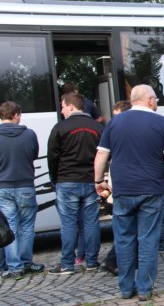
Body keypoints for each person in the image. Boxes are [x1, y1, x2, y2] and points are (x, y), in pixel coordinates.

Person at [94, 85, 164, 301]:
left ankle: (126, 288)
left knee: (124, 239)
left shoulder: (115, 122)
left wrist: (99, 181)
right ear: (150, 100)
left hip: (122, 191)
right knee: (148, 239)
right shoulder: (161, 122)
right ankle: (145, 288)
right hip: (151, 190)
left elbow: (101, 155)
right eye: (155, 99)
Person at [47, 93, 104, 275]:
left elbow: (52, 157)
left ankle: (67, 264)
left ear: (71, 106)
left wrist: (55, 178)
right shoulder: (98, 127)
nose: (62, 110)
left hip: (67, 181)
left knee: (69, 224)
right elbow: (105, 154)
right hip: (90, 181)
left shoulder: (60, 127)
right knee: (91, 223)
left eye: (63, 106)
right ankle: (93, 261)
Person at [0, 101, 44, 279]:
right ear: (16, 114)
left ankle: (15, 267)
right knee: (27, 227)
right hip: (26, 185)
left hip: (3, 187)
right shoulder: (30, 134)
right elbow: (34, 155)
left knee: (10, 227)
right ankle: (26, 263)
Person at [99, 100, 131, 277]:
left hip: (121, 184)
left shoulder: (115, 128)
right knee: (127, 229)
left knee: (126, 228)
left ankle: (115, 261)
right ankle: (112, 261)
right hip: (123, 185)